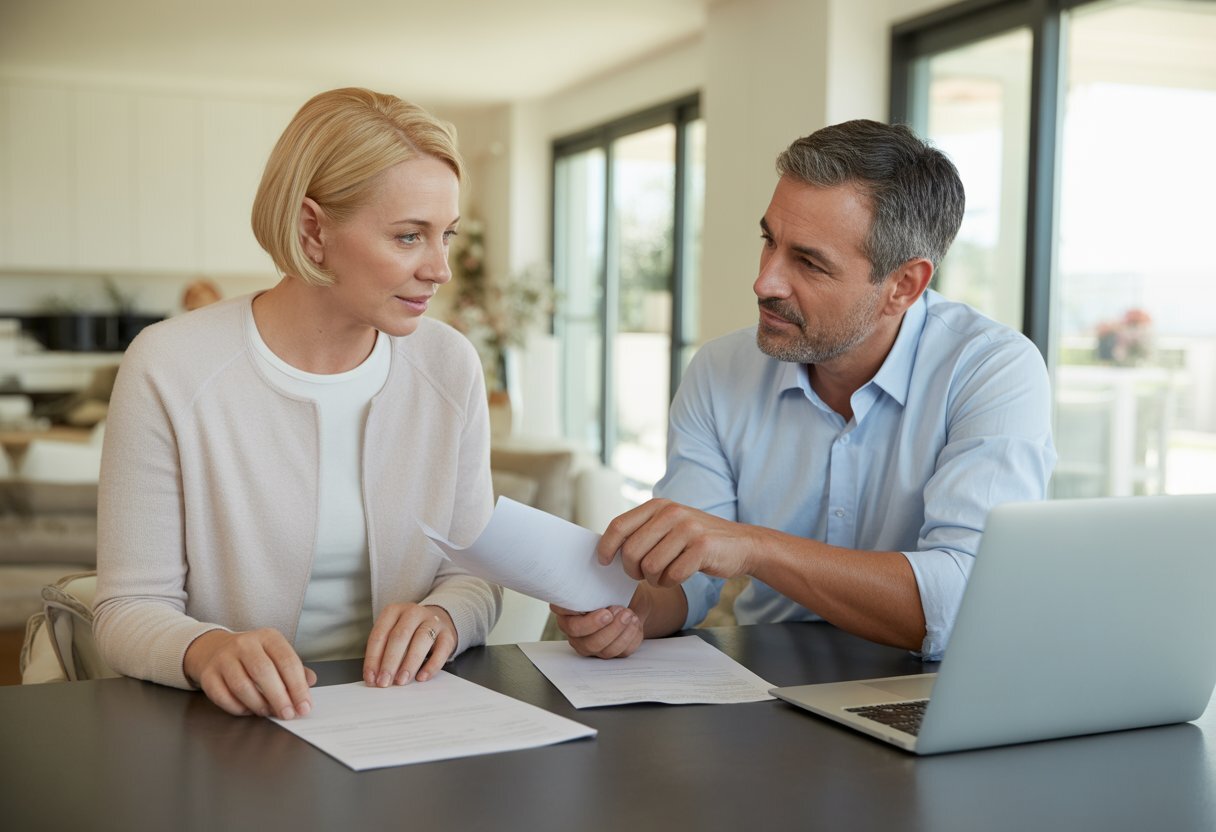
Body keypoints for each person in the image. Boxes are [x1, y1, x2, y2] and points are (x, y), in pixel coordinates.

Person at [554, 119, 1055, 662]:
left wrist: (754, 546)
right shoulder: (721, 370)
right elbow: (686, 579)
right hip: (769, 688)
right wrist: (630, 614)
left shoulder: (991, 370)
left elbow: (964, 601)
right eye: (769, 241)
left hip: (932, 694)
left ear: (903, 286)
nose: (764, 282)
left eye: (809, 262)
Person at [94, 88, 501, 720]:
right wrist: (204, 648)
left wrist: (446, 615)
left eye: (445, 235)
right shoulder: (169, 365)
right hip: (235, 731)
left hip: (408, 718)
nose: (440, 268)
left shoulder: (450, 365)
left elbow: (476, 573)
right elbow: (126, 609)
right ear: (313, 228)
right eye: (408, 237)